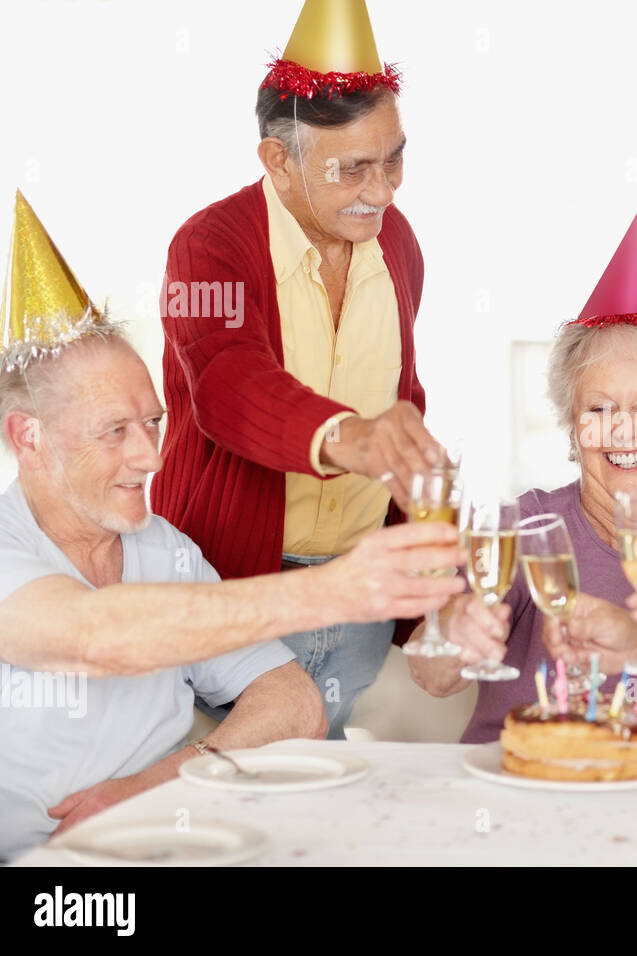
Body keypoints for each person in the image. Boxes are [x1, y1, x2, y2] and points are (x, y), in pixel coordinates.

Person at [0, 195, 462, 863]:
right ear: (26, 436)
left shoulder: (164, 548)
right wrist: (337, 590)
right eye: (114, 432)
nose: (151, 456)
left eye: (153, 424)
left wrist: (148, 789)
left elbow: (296, 704)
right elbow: (92, 636)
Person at [152, 0, 446, 737]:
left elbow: (403, 402)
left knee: (339, 821)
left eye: (395, 158)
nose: (383, 191)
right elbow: (226, 383)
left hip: (359, 600)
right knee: (229, 810)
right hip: (237, 589)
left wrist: (428, 593)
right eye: (353, 169)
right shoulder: (208, 246)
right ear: (279, 161)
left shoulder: (399, 244)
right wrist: (353, 438)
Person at [409, 199, 637, 748]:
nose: (623, 433)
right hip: (522, 793)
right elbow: (433, 677)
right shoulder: (522, 526)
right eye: (599, 409)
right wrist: (451, 631)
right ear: (569, 425)